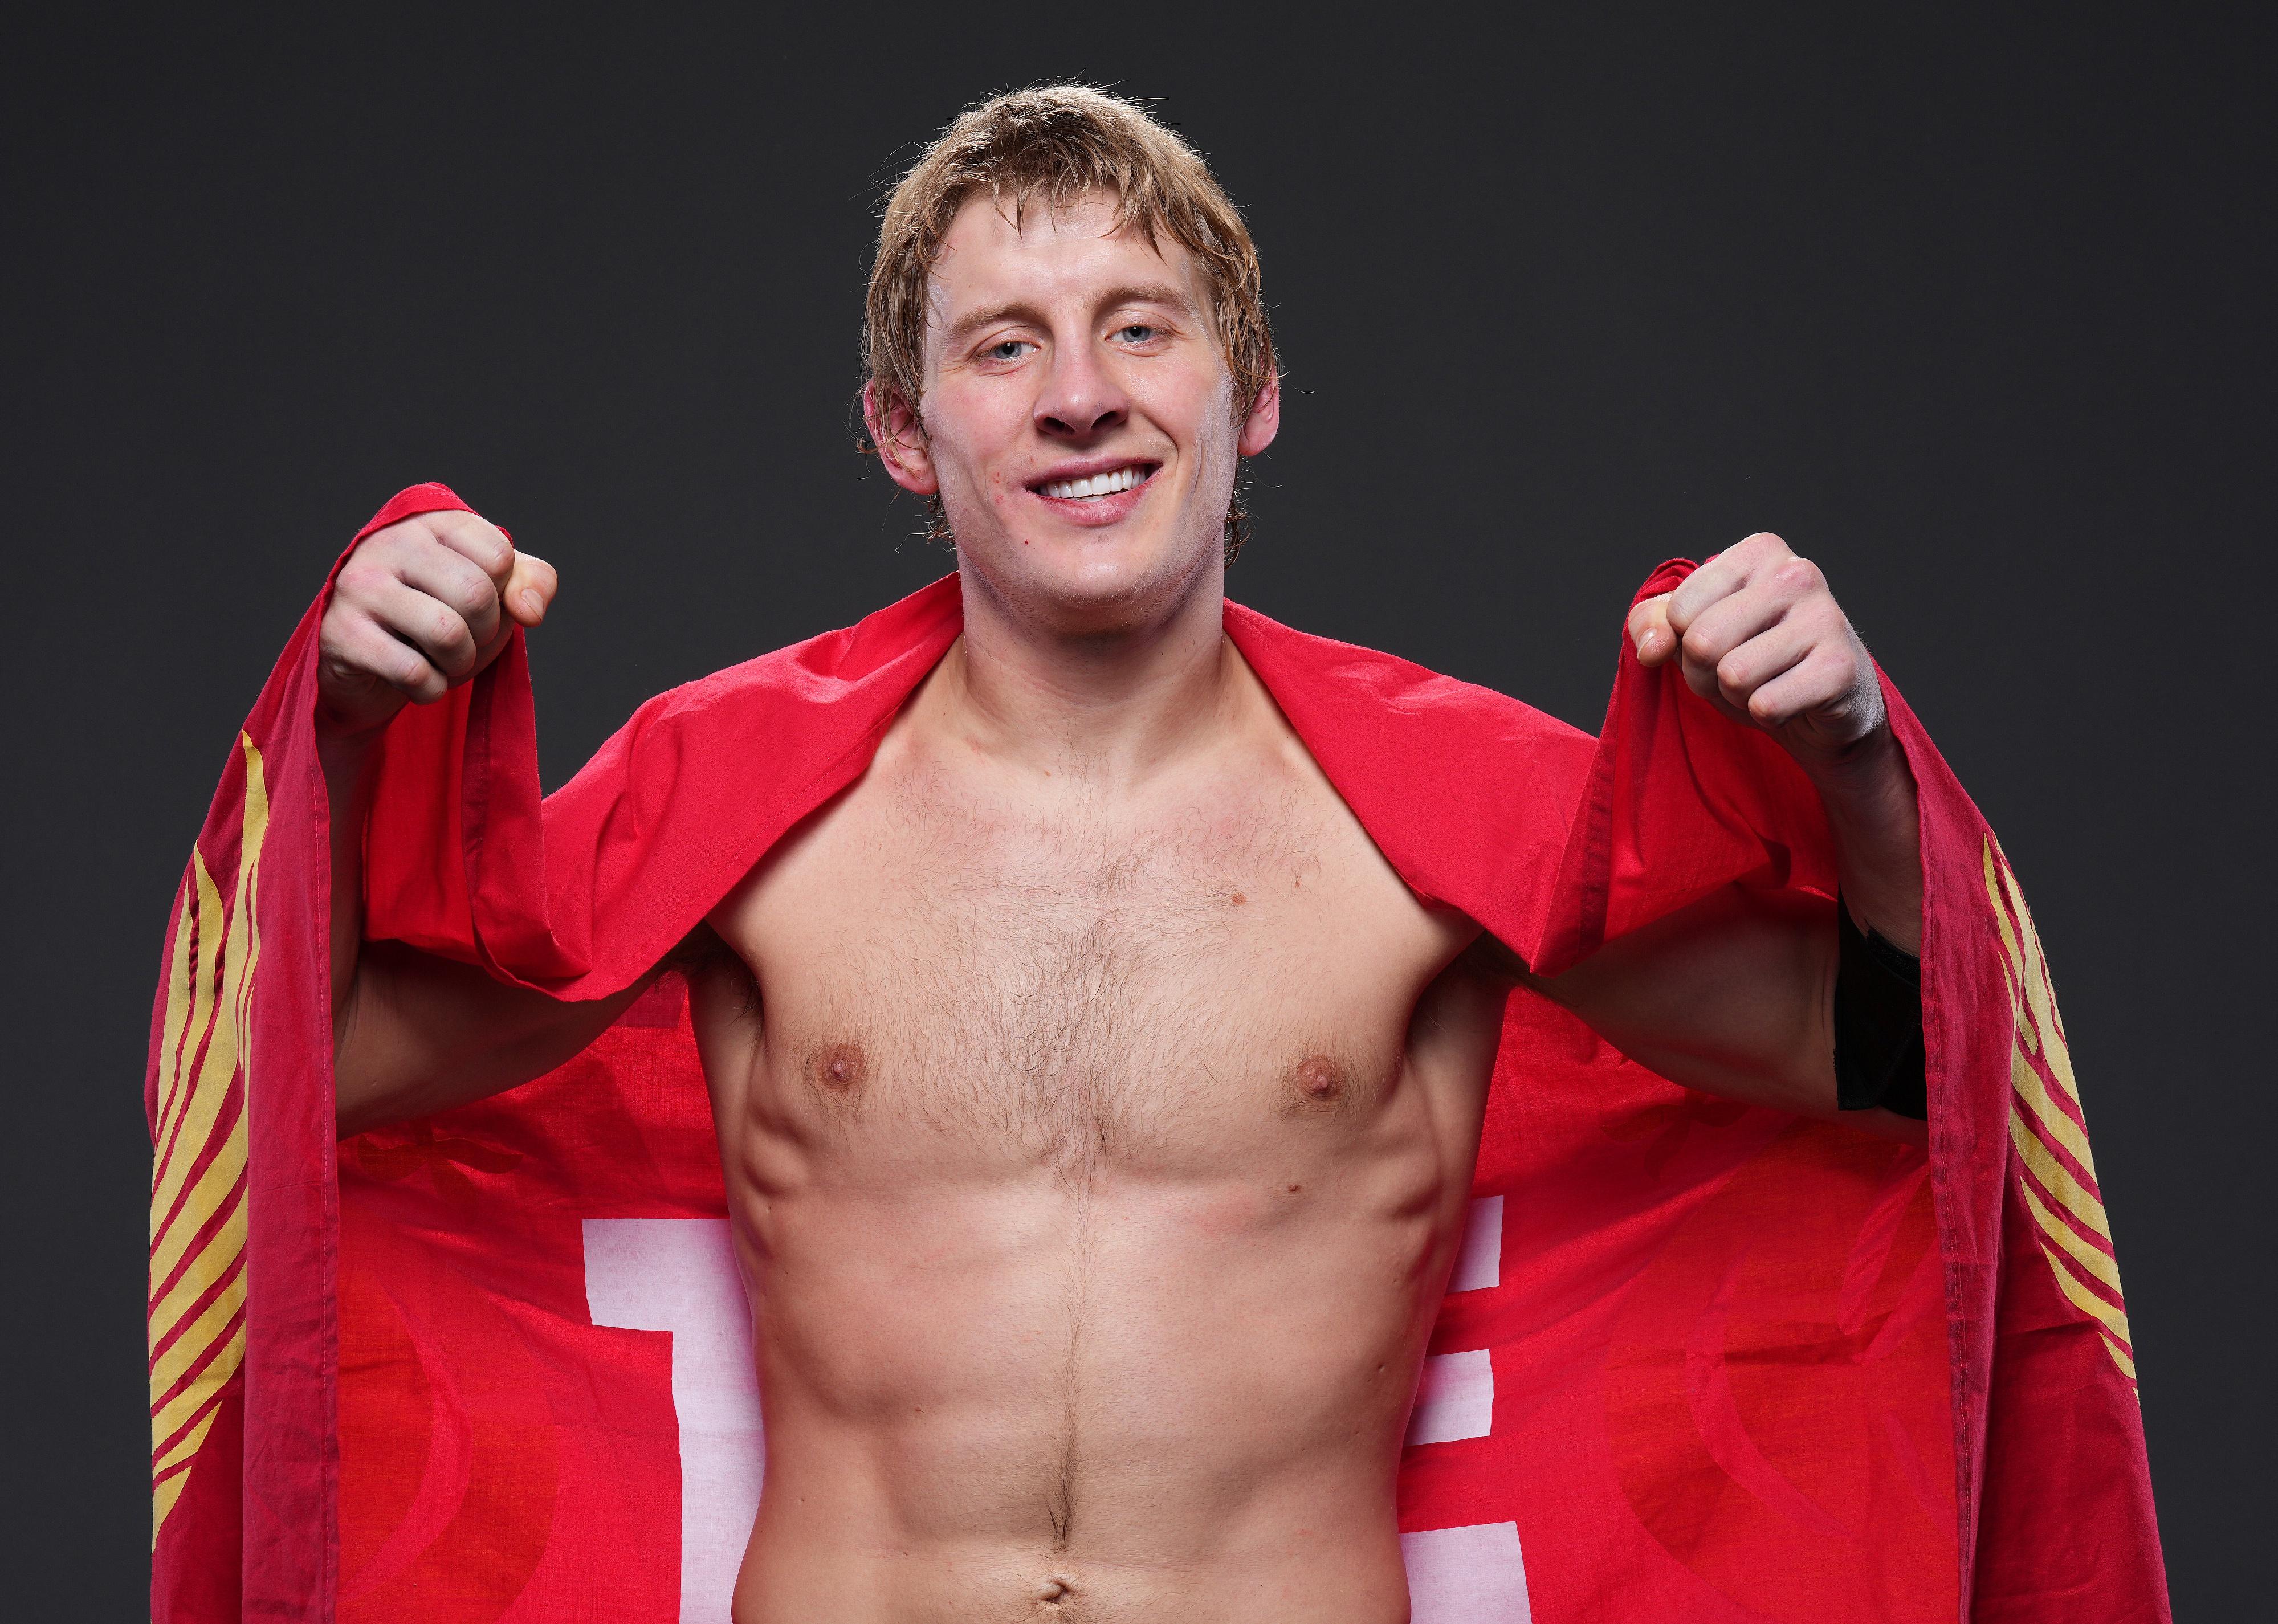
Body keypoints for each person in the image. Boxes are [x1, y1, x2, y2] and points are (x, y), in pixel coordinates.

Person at [314, 87, 1931, 1622]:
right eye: (1004, 346)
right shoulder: (731, 798)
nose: (1079, 392)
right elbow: (305, 1074)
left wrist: (1861, 756)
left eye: (1140, 328)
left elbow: (1905, 1060)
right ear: (899, 428)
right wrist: (331, 730)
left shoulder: (1449, 813)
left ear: (1257, 391)